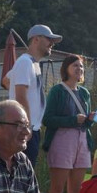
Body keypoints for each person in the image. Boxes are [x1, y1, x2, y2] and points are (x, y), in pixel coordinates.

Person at [41, 55, 94, 193]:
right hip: (62, 140)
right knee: (57, 190)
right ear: (66, 69)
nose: (79, 69)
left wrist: (90, 119)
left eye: (81, 67)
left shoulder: (85, 93)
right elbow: (47, 119)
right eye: (75, 65)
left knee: (77, 190)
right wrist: (72, 120)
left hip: (82, 140)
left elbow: (86, 124)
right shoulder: (58, 90)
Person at [7, 24, 61, 165]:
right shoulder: (25, 62)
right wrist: (27, 126)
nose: (52, 44)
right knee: (20, 174)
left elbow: (6, 80)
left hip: (30, 129)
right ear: (36, 39)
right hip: (24, 129)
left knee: (24, 174)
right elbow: (20, 96)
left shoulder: (32, 64)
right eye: (49, 39)